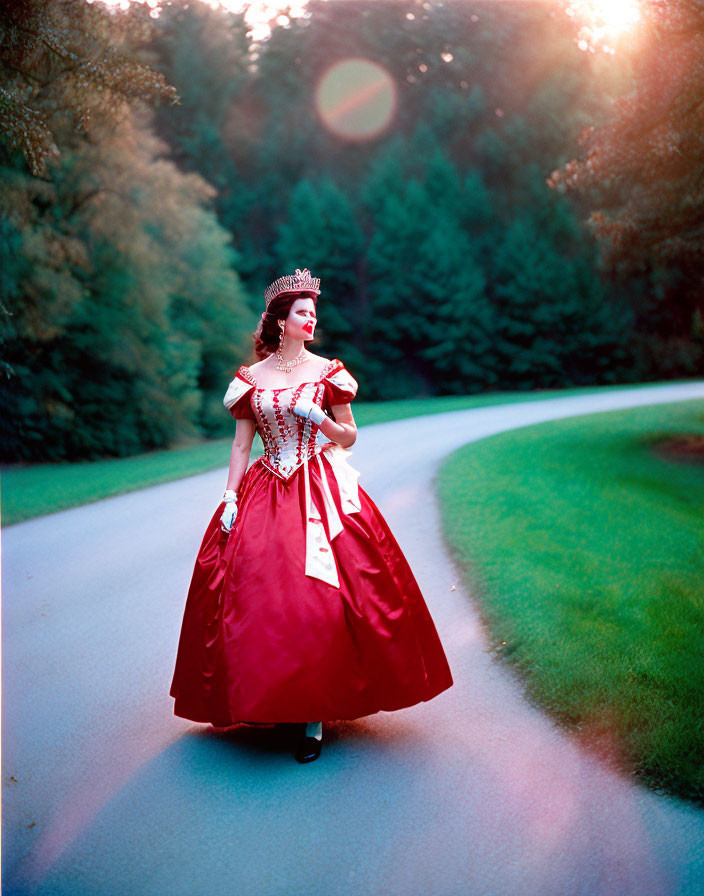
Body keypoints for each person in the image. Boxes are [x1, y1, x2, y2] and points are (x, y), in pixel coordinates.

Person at [169, 268, 453, 763]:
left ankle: (312, 718)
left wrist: (318, 419)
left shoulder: (328, 372)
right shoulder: (249, 381)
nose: (311, 319)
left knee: (320, 596)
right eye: (303, 313)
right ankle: (274, 696)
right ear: (281, 321)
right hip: (264, 487)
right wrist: (231, 497)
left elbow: (349, 435)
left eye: (314, 313)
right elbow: (241, 445)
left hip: (317, 483)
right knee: (260, 597)